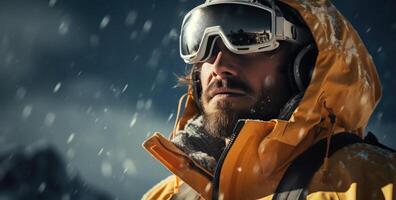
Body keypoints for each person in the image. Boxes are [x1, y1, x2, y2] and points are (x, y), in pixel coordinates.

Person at [142, 0, 396, 199]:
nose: (218, 66)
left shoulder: (376, 183)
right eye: (201, 43)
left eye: (247, 38)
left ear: (307, 63)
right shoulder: (164, 197)